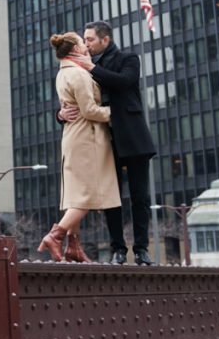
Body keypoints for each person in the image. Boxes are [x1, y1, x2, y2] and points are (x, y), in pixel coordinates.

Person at [61, 21, 157, 265]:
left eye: (90, 39)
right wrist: (60, 114)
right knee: (111, 199)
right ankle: (118, 250)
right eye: (85, 39)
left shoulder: (128, 59)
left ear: (106, 40)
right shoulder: (83, 68)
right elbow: (76, 99)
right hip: (103, 141)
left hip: (133, 139)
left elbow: (124, 81)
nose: (87, 43)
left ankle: (142, 249)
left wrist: (91, 68)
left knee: (140, 197)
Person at [39, 32, 121, 263]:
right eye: (82, 42)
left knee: (77, 193)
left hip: (74, 136)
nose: (86, 45)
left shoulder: (63, 73)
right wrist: (116, 113)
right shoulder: (79, 74)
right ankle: (56, 235)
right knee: (87, 194)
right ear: (74, 49)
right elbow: (90, 111)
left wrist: (62, 114)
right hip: (88, 138)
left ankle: (73, 246)